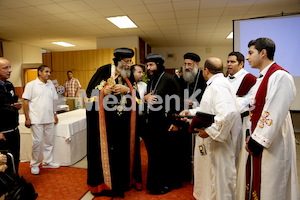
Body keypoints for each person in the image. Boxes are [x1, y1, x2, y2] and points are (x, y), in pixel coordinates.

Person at [179, 57, 241, 200]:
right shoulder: (216, 83)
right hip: (214, 142)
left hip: (218, 144)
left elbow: (228, 112)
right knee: (211, 178)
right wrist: (192, 112)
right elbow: (209, 108)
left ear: (205, 71)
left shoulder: (218, 85)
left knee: (219, 180)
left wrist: (209, 131)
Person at [244, 37, 299, 200]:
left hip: (272, 140)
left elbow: (275, 109)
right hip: (259, 136)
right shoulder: (260, 79)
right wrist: (249, 132)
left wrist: (257, 139)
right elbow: (251, 107)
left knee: (273, 185)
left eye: (250, 52)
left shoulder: (280, 76)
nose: (247, 57)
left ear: (263, 53)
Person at [85, 48, 142, 198]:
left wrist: (127, 90)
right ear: (117, 61)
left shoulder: (128, 75)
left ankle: (123, 183)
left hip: (124, 125)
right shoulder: (103, 71)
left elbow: (138, 99)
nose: (129, 65)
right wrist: (104, 91)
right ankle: (106, 185)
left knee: (123, 154)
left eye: (130, 61)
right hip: (106, 125)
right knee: (109, 154)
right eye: (126, 62)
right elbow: (89, 94)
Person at [143, 54, 182, 194]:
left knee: (165, 156)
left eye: (151, 65)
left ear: (159, 65)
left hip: (166, 123)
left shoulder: (169, 79)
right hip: (153, 123)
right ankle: (154, 185)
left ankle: (165, 185)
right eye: (147, 65)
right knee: (154, 156)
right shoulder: (151, 80)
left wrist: (176, 122)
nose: (149, 68)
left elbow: (177, 101)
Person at [226, 51, 257, 200]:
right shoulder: (225, 79)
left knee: (238, 157)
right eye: (228, 62)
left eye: (232, 62)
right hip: (226, 122)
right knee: (227, 155)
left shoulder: (249, 79)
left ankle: (238, 190)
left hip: (241, 122)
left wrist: (230, 104)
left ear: (241, 64)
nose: (229, 65)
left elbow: (251, 100)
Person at [22, 65, 60, 175]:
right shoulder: (31, 85)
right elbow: (26, 102)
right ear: (39, 72)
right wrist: (27, 118)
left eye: (50, 72)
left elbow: (54, 100)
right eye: (46, 71)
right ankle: (34, 164)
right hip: (36, 119)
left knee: (49, 142)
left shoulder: (51, 84)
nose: (49, 74)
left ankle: (47, 162)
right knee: (37, 143)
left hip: (49, 118)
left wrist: (55, 114)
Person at [0, 58, 22, 173]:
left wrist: (16, 106)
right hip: (2, 133)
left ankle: (14, 183)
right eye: (5, 68)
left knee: (15, 158)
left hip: (14, 129)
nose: (10, 70)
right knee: (4, 162)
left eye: (10, 67)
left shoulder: (9, 85)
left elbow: (10, 103)